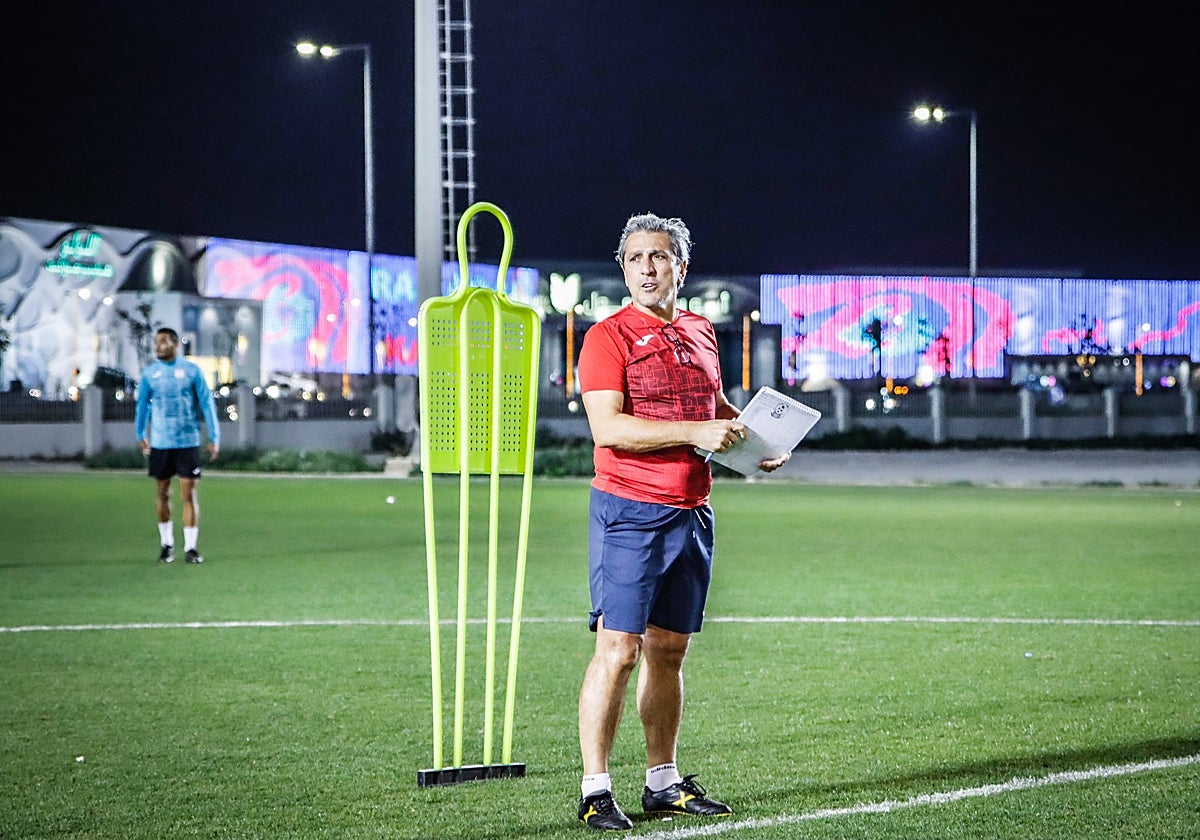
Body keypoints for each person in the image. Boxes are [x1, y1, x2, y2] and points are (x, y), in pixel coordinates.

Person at [574, 213, 790, 830]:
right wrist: (697, 431)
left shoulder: (699, 331)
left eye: (659, 257)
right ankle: (595, 789)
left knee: (668, 651)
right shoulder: (606, 338)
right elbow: (608, 428)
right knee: (618, 652)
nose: (647, 267)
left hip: (693, 511)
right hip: (630, 510)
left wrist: (756, 444)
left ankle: (662, 782)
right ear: (623, 268)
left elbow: (715, 407)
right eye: (636, 257)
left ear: (680, 268)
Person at [134, 327, 220, 564]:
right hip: (161, 442)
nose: (158, 346)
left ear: (175, 345)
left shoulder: (191, 371)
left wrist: (214, 438)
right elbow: (142, 406)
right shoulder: (150, 373)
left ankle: (191, 548)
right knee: (162, 492)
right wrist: (140, 434)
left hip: (187, 441)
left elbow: (207, 404)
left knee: (188, 493)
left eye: (163, 342)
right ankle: (167, 544)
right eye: (156, 342)